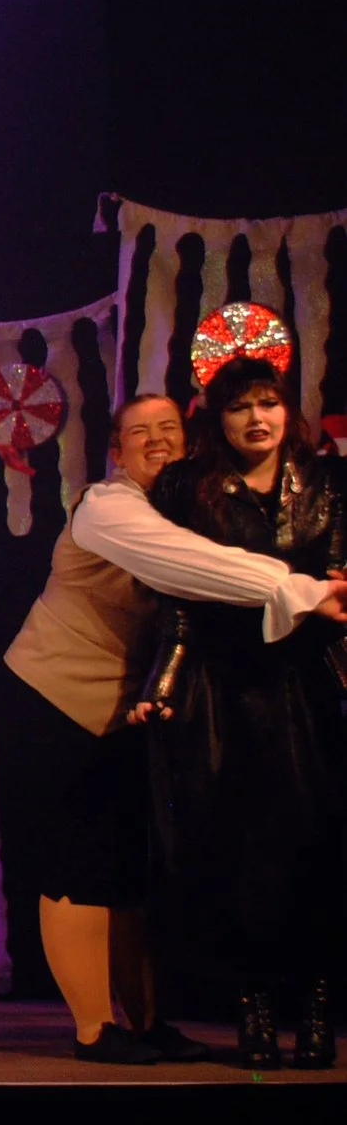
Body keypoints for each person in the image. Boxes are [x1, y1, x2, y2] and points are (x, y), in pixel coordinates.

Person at [2, 392, 339, 1063]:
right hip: (59, 693)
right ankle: (94, 1027)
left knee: (131, 868)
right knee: (79, 864)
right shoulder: (109, 506)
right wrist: (301, 587)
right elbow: (194, 567)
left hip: (134, 704)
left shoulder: (196, 502)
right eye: (138, 431)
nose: (156, 439)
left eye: (169, 428)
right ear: (116, 450)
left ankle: (147, 1020)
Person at [132, 355, 347, 1070]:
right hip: (220, 688)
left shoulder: (327, 482)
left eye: (269, 403)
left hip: (307, 686)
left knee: (316, 848)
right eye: (239, 407)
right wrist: (161, 683)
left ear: (289, 409)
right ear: (216, 419)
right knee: (236, 853)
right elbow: (176, 599)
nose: (257, 418)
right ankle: (252, 1007)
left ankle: (316, 1008)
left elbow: (338, 586)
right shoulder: (187, 487)